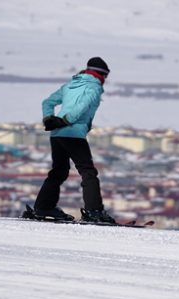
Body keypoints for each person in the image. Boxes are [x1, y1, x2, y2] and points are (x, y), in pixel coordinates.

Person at [32, 57, 116, 224]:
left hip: (56, 134)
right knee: (88, 171)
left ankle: (43, 207)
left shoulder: (70, 84)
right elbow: (83, 106)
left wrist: (49, 119)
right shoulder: (94, 86)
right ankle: (94, 212)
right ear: (102, 75)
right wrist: (65, 120)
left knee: (59, 172)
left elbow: (47, 102)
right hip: (73, 133)